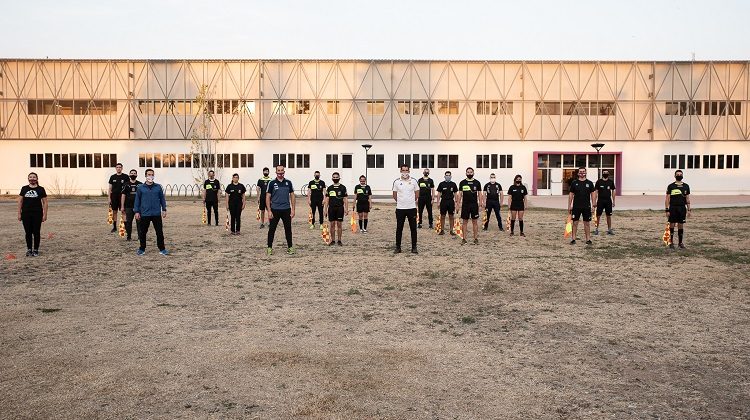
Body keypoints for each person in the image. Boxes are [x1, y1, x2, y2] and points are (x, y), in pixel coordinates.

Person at [133, 168, 169, 256]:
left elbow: (162, 199)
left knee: (159, 232)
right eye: (149, 174)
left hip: (156, 213)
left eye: (152, 174)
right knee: (143, 232)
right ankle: (142, 249)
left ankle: (162, 248)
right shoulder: (141, 188)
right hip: (145, 213)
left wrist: (164, 209)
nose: (150, 176)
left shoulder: (158, 187)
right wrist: (136, 211)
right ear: (145, 176)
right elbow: (137, 200)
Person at [266, 165, 295, 255]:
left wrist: (293, 209)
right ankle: (269, 248)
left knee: (288, 229)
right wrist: (269, 211)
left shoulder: (288, 183)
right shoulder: (271, 183)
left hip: (286, 210)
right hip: (275, 210)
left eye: (282, 170)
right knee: (272, 229)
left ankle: (290, 247)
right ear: (276, 172)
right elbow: (268, 197)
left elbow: (292, 196)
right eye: (278, 170)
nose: (280, 172)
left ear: (284, 172)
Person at [18, 172, 47, 257]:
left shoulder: (41, 189)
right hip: (26, 214)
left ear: (37, 179)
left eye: (34, 177)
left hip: (37, 214)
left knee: (36, 232)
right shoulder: (24, 188)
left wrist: (45, 214)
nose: (32, 178)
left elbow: (45, 203)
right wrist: (19, 213)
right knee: (28, 232)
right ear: (28, 179)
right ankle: (29, 249)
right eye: (30, 177)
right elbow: (20, 201)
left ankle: (36, 250)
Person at [392, 164, 420, 254]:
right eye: (403, 170)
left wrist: (410, 201)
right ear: (400, 171)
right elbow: (394, 195)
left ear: (409, 171)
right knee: (399, 228)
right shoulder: (396, 182)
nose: (405, 172)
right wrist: (401, 202)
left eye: (406, 170)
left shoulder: (414, 181)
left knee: (413, 229)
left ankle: (414, 247)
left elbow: (417, 194)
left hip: (411, 208)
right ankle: (398, 247)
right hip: (400, 209)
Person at [567, 167, 597, 245]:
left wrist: (594, 204)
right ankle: (573, 239)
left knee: (587, 223)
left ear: (586, 173)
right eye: (580, 172)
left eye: (583, 172)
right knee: (575, 223)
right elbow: (571, 194)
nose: (582, 173)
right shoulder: (574, 183)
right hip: (576, 206)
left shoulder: (589, 183)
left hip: (586, 207)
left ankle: (588, 239)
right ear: (578, 173)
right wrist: (569, 205)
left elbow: (593, 194)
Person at [457, 167, 483, 245]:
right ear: (466, 173)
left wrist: (480, 204)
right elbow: (460, 194)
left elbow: (479, 194)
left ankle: (475, 238)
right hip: (465, 205)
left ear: (473, 173)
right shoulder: (462, 182)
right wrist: (458, 204)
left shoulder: (477, 182)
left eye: (471, 172)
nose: (469, 173)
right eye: (468, 172)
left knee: (474, 222)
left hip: (474, 205)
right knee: (464, 222)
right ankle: (464, 239)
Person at [665, 170, 691, 249]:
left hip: (682, 208)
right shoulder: (671, 186)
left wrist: (689, 210)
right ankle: (671, 242)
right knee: (672, 224)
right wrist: (667, 210)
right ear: (675, 176)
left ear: (682, 176)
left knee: (680, 225)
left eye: (680, 174)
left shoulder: (686, 186)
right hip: (673, 207)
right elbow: (667, 199)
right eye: (677, 174)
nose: (679, 175)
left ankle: (680, 243)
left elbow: (687, 198)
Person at [324, 172, 348, 246]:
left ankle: (339, 240)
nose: (335, 178)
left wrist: (346, 209)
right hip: (331, 208)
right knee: (332, 225)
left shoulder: (343, 187)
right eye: (334, 177)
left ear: (339, 178)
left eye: (336, 177)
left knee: (339, 225)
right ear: (332, 178)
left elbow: (345, 199)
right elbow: (327, 199)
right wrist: (325, 210)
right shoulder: (330, 188)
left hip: (340, 208)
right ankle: (333, 240)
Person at [120, 169, 142, 241]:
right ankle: (129, 237)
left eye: (134, 173)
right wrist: (122, 206)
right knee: (128, 222)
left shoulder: (140, 184)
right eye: (131, 173)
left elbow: (143, 196)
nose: (133, 174)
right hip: (128, 206)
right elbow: (123, 195)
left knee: (139, 222)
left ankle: (140, 237)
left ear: (136, 175)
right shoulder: (126, 184)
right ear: (129, 175)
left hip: (138, 207)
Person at [108, 163, 129, 233]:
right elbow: (110, 188)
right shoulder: (112, 177)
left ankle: (125, 227)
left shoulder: (125, 177)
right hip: (114, 197)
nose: (119, 168)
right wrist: (109, 198)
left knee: (123, 211)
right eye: (117, 167)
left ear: (122, 168)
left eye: (120, 167)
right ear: (115, 168)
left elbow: (128, 187)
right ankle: (114, 227)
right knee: (114, 212)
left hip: (122, 197)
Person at [594, 169, 616, 235]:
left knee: (608, 215)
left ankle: (609, 229)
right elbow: (596, 192)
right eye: (604, 173)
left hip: (608, 201)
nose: (605, 174)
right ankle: (596, 229)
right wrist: (594, 201)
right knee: (598, 215)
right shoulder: (598, 182)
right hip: (600, 201)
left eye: (607, 173)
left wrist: (613, 201)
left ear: (608, 174)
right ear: (602, 174)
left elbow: (613, 191)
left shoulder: (611, 182)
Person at [436, 171, 458, 236]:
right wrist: (438, 202)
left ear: (451, 176)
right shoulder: (441, 184)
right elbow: (439, 193)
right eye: (446, 175)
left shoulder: (453, 184)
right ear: (444, 176)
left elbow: (455, 193)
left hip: (451, 201)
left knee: (451, 216)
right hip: (443, 201)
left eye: (449, 175)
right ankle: (442, 230)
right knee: (442, 216)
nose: (448, 176)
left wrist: (456, 202)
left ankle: (451, 230)